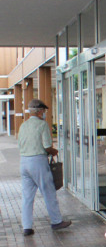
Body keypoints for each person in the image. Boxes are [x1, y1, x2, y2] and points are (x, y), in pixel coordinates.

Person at [18, 98, 71, 236]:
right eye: (43, 111)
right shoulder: (42, 125)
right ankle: (56, 221)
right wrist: (54, 151)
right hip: (38, 161)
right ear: (40, 111)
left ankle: (27, 227)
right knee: (48, 192)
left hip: (24, 162)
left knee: (27, 197)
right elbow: (47, 146)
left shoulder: (23, 125)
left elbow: (20, 144)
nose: (44, 113)